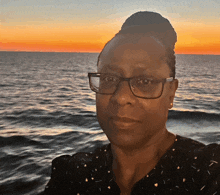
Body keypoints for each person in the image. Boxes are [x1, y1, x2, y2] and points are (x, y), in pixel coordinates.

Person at [43, 11, 220, 195]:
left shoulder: (207, 170)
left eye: (145, 81)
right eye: (109, 79)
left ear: (171, 93)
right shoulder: (73, 173)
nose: (121, 97)